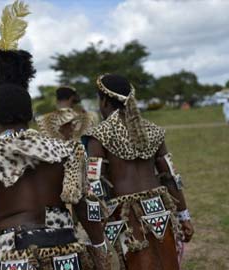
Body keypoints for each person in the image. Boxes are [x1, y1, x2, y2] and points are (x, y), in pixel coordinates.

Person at [0, 2, 110, 269]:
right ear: (30, 116)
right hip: (66, 256)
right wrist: (99, 245)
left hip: (16, 258)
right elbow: (84, 206)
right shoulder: (67, 152)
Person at [83, 74, 194, 270]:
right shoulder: (152, 130)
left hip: (125, 216)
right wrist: (185, 216)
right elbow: (171, 177)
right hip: (159, 208)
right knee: (167, 263)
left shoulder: (99, 135)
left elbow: (94, 187)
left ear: (105, 101)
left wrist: (96, 233)